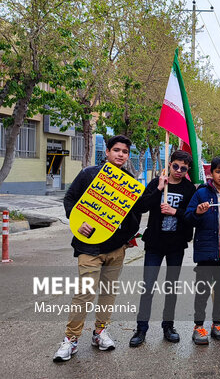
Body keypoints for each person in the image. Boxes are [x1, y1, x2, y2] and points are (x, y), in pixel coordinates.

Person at [54, 135, 141, 362]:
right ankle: (71, 340)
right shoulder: (89, 174)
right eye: (117, 150)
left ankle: (100, 332)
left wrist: (125, 238)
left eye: (125, 151)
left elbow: (134, 215)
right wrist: (77, 221)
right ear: (108, 152)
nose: (121, 154)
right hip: (89, 247)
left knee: (108, 293)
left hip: (116, 250)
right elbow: (70, 199)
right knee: (84, 294)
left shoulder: (129, 181)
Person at [128, 150, 196, 347]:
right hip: (155, 244)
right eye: (175, 166)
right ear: (170, 164)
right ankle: (141, 329)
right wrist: (158, 189)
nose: (178, 171)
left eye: (183, 168)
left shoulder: (189, 188)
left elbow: (191, 217)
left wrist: (175, 211)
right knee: (148, 286)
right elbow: (140, 207)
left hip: (176, 245)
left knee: (171, 287)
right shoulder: (158, 182)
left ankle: (168, 326)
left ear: (187, 170)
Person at [185, 157, 220, 344]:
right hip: (206, 250)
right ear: (211, 173)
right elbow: (188, 218)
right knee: (202, 291)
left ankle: (217, 324)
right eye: (218, 172)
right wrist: (198, 213)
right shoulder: (201, 193)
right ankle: (198, 326)